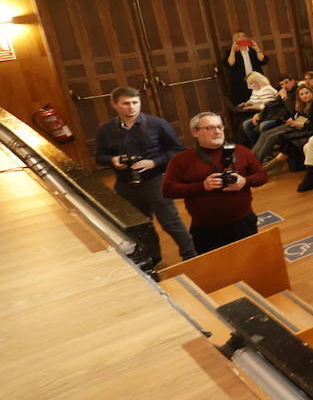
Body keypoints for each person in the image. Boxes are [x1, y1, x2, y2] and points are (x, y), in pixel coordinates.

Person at [94, 86, 197, 270]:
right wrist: (112, 160)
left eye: (135, 102)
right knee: (140, 227)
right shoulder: (106, 129)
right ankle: (153, 260)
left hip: (155, 180)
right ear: (114, 105)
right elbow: (99, 156)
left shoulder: (158, 124)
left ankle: (191, 256)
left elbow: (177, 151)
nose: (132, 107)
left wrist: (154, 162)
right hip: (125, 185)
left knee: (171, 222)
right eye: (126, 103)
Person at [162, 111, 267, 254]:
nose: (217, 131)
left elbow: (262, 175)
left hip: (243, 222)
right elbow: (168, 190)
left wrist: (245, 181)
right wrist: (202, 186)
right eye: (210, 128)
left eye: (220, 127)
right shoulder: (181, 160)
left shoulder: (241, 151)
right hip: (206, 229)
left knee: (251, 261)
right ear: (195, 132)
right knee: (217, 271)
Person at [224, 30, 269, 105]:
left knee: (260, 101)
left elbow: (263, 60)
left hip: (256, 81)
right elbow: (230, 64)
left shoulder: (252, 50)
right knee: (244, 103)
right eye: (239, 37)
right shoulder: (231, 52)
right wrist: (233, 50)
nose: (242, 38)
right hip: (240, 82)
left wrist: (257, 49)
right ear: (235, 40)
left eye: (243, 36)